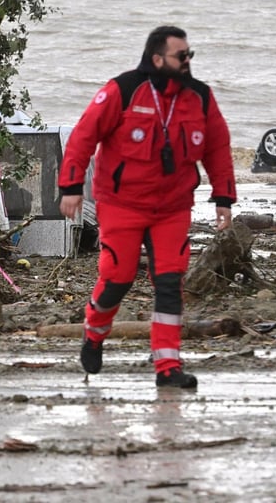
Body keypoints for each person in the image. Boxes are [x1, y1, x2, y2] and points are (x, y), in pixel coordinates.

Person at [58, 25, 236, 389]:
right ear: (158, 59)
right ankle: (93, 334)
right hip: (122, 203)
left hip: (172, 207)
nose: (187, 62)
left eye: (190, 55)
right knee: (116, 279)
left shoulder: (200, 97)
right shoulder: (122, 90)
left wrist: (224, 198)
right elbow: (83, 136)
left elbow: (218, 147)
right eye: (181, 56)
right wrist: (71, 187)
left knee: (170, 283)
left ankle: (167, 367)